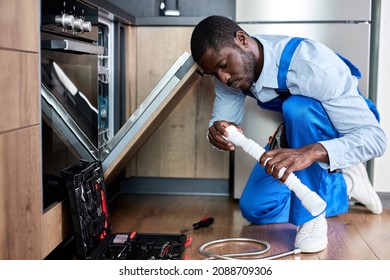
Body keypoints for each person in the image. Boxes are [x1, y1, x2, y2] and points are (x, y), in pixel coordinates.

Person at [190, 15, 387, 253]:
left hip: (345, 129)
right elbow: (224, 123)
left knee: (298, 108)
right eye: (214, 73)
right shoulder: (231, 74)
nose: (222, 78)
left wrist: (315, 151)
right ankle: (346, 183)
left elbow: (375, 139)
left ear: (241, 39)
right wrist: (218, 133)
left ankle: (312, 216)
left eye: (223, 66)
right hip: (298, 134)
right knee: (256, 208)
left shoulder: (314, 67)